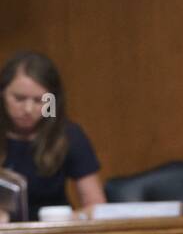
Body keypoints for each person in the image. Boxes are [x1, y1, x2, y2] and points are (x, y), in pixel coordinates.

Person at [0, 52, 105, 221]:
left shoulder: (68, 135)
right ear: (2, 94)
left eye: (39, 100)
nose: (28, 109)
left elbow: (96, 206)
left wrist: (69, 219)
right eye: (19, 99)